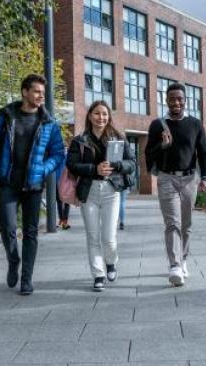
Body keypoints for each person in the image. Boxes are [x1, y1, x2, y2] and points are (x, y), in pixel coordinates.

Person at [0, 74, 65, 295]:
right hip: (9, 183)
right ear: (25, 92)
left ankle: (26, 279)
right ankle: (13, 260)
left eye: (42, 93)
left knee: (31, 233)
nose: (40, 96)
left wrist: (43, 170)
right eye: (36, 91)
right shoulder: (6, 117)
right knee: (7, 227)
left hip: (34, 186)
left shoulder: (48, 123)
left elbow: (57, 154)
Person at [145, 83, 206, 287]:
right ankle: (174, 266)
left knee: (186, 225)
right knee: (172, 222)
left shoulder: (195, 124)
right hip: (167, 178)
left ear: (185, 101)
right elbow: (148, 154)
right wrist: (161, 146)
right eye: (172, 98)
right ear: (166, 100)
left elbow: (204, 152)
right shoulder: (158, 125)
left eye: (180, 99)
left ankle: (183, 260)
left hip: (191, 179)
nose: (176, 102)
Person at [66, 100, 135, 292]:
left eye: (104, 114)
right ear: (89, 116)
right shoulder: (80, 140)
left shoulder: (117, 138)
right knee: (93, 236)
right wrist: (93, 168)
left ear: (109, 117)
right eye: (97, 113)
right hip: (89, 191)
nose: (101, 117)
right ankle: (98, 274)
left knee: (109, 238)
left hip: (111, 190)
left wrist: (116, 166)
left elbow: (132, 163)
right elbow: (71, 164)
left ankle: (111, 262)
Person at [56, 155, 71, 230]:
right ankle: (61, 220)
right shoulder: (56, 152)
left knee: (67, 201)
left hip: (66, 180)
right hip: (57, 179)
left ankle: (65, 220)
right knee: (59, 200)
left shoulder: (69, 153)